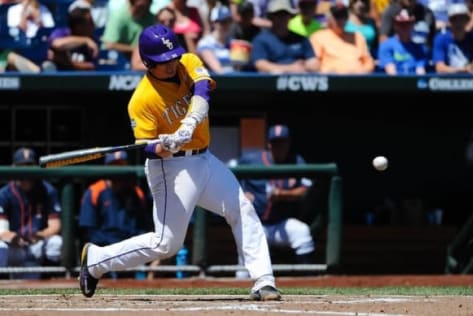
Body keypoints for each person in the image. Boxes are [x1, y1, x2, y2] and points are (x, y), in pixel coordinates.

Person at [78, 23, 281, 301]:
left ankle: (263, 280)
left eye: (173, 57)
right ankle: (97, 260)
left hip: (204, 159)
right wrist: (166, 145)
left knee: (242, 209)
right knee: (166, 244)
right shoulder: (142, 99)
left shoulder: (188, 62)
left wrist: (188, 125)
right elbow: (149, 149)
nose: (171, 64)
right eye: (163, 62)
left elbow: (203, 91)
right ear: (148, 63)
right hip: (170, 168)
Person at [235, 124, 315, 278]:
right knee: (244, 263)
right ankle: (241, 282)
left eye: (283, 142)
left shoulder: (297, 161)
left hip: (280, 223)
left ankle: (308, 279)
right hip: (255, 222)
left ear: (289, 143)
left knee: (301, 232)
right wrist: (242, 193)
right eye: (276, 143)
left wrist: (283, 194)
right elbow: (230, 176)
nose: (279, 147)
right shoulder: (251, 160)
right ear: (269, 144)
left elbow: (306, 188)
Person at [78, 150, 155, 279]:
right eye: (114, 165)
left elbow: (143, 226)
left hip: (131, 249)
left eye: (121, 165)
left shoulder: (136, 192)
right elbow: (88, 230)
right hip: (104, 248)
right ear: (107, 168)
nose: (118, 171)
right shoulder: (94, 191)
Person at [0, 147, 63, 279]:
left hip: (37, 243)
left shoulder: (47, 190)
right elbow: (1, 229)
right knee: (1, 247)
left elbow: (55, 225)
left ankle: (52, 279)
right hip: (14, 246)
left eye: (29, 166)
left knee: (56, 242)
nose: (25, 171)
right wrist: (14, 237)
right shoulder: (5, 193)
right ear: (13, 167)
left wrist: (39, 235)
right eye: (21, 166)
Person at [249, 0, 319, 74]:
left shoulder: (301, 39)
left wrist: (307, 65)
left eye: (285, 14)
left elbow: (314, 63)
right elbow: (260, 64)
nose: (281, 18)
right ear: (271, 17)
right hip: (271, 82)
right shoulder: (261, 40)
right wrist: (291, 68)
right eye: (278, 15)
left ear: (290, 17)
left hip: (300, 80)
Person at [309, 3, 375, 74]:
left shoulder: (357, 36)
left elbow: (368, 61)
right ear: (329, 19)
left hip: (356, 79)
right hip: (333, 79)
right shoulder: (318, 37)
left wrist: (362, 72)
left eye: (343, 16)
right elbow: (313, 62)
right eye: (337, 17)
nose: (341, 20)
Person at [432, 3, 473, 74]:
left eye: (462, 19)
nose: (458, 23)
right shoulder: (441, 39)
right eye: (455, 20)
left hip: (471, 80)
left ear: (467, 21)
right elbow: (439, 68)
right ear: (449, 22)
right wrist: (462, 70)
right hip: (447, 81)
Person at [377, 9, 428, 74]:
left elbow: (420, 72)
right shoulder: (386, 46)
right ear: (395, 25)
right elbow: (391, 72)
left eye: (407, 24)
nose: (404, 27)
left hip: (413, 81)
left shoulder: (420, 48)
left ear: (412, 25)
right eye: (401, 24)